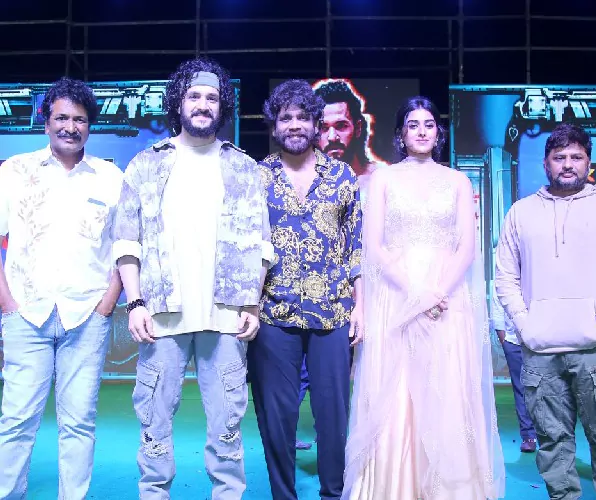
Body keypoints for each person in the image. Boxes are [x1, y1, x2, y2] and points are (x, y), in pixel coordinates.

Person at [112, 57, 273, 499]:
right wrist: (135, 302)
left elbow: (261, 244)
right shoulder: (146, 164)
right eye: (194, 96)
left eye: (212, 97)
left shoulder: (244, 167)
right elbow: (127, 241)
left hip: (225, 316)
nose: (203, 104)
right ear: (178, 102)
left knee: (227, 428)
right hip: (162, 315)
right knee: (154, 424)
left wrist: (252, 302)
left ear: (223, 106)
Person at [343, 96, 505, 500]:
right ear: (400, 133)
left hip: (447, 299)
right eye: (412, 124)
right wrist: (416, 291)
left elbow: (466, 248)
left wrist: (438, 291)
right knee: (396, 390)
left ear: (438, 132)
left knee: (446, 385)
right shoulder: (383, 179)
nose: (421, 131)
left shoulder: (458, 181)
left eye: (428, 124)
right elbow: (374, 245)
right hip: (395, 296)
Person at [495, 122, 596, 500]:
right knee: (553, 447)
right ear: (546, 163)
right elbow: (505, 276)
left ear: (588, 162)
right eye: (559, 157)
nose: (568, 164)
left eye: (576, 157)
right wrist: (525, 324)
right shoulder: (521, 212)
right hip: (541, 350)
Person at [0, 78, 123, 498]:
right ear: (46, 121)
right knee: (16, 421)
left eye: (80, 120)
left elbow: (125, 245)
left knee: (79, 423)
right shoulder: (14, 172)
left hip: (87, 317)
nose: (70, 127)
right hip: (25, 313)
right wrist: (7, 302)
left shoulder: (110, 177)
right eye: (62, 118)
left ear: (90, 125)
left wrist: (107, 303)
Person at [249, 79, 363, 500]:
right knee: (276, 417)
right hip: (273, 313)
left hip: (333, 311)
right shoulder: (257, 177)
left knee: (333, 416)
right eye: (286, 118)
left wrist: (361, 306)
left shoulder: (341, 177)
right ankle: (284, 495)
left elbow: (356, 246)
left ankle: (334, 493)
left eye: (302, 117)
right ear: (274, 125)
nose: (294, 125)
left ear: (316, 125)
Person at [313, 79, 382, 199]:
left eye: (341, 126)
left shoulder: (382, 178)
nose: (332, 137)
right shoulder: (304, 183)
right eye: (323, 128)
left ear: (358, 128)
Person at [490, 285, 537, 452]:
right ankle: (528, 435)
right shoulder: (503, 276)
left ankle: (550, 433)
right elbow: (497, 306)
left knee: (548, 387)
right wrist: (504, 341)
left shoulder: (536, 273)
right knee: (521, 389)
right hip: (513, 341)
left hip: (541, 339)